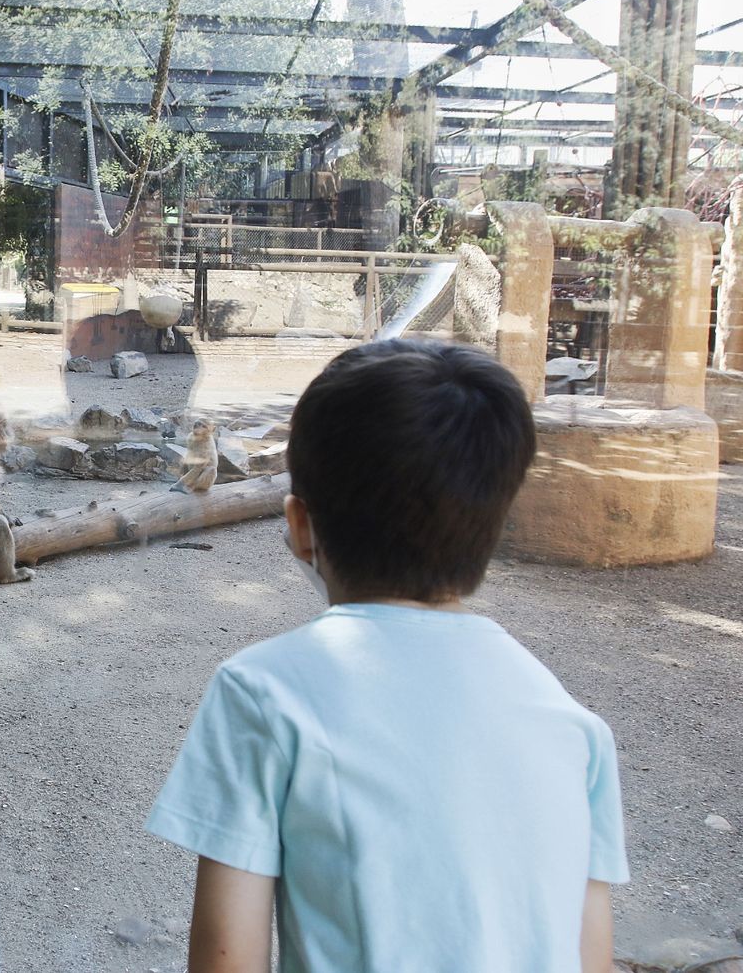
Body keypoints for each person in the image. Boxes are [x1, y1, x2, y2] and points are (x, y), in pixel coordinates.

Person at [146, 340, 628, 973]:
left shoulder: (262, 692)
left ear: (299, 526)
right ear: (496, 522)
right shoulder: (575, 728)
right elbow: (591, 958)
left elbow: (227, 960)